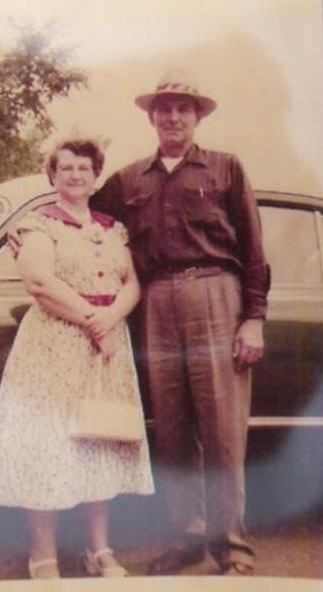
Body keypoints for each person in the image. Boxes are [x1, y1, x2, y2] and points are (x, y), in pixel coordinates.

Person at [86, 71, 270, 576]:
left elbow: (254, 251)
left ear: (197, 116)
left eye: (183, 108)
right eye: (163, 109)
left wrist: (253, 318)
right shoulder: (129, 179)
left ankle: (232, 547)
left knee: (223, 432)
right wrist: (34, 230)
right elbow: (83, 213)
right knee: (171, 430)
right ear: (151, 118)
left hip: (216, 293)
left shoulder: (226, 168)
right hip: (155, 300)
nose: (172, 117)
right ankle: (188, 538)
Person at [0, 138, 154, 579]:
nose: (76, 174)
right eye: (66, 168)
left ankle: (99, 550)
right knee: (49, 445)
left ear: (96, 177)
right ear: (53, 176)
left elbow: (133, 283)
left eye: (84, 167)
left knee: (99, 440)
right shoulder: (38, 225)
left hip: (104, 350)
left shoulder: (113, 228)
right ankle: (43, 555)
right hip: (54, 345)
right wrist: (95, 321)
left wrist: (111, 317)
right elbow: (39, 282)